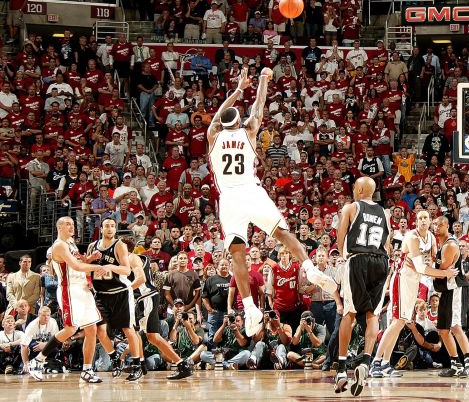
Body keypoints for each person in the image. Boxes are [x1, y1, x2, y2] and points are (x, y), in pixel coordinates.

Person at [207, 66, 336, 337]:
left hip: (229, 198)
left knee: (237, 254)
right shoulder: (249, 131)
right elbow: (259, 107)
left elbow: (219, 115)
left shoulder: (213, 136)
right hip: (251, 191)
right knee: (282, 233)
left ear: (222, 124)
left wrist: (237, 90)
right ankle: (310, 268)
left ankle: (251, 308)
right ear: (239, 122)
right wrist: (263, 79)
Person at [371, 210, 456, 378]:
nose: (423, 220)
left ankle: (386, 364)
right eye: (420, 218)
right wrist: (445, 273)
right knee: (396, 322)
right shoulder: (412, 237)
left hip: (414, 282)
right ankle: (376, 362)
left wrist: (435, 262)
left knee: (401, 323)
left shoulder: (431, 237)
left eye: (426, 217)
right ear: (415, 221)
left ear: (430, 220)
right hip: (402, 279)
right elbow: (422, 268)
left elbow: (432, 260)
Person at [28, 217, 109, 383]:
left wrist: (91, 258)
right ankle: (37, 360)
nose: (72, 227)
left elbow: (81, 262)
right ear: (59, 227)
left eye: (73, 224)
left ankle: (87, 370)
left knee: (91, 329)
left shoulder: (71, 243)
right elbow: (76, 266)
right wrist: (97, 267)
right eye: (68, 224)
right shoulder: (59, 245)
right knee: (71, 328)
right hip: (69, 290)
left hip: (83, 289)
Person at [334, 175, 391, 395]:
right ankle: (366, 362)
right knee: (372, 314)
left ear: (358, 191)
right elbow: (387, 243)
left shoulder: (350, 207)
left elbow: (340, 238)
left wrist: (342, 255)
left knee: (349, 312)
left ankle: (341, 368)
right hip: (380, 261)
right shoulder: (384, 213)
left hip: (357, 259)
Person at [86, 219, 144, 381]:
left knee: (128, 330)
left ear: (115, 228)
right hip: (101, 295)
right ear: (101, 228)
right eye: (107, 226)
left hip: (120, 293)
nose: (110, 228)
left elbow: (126, 269)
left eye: (112, 226)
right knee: (100, 331)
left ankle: (137, 365)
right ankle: (114, 359)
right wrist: (90, 259)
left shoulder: (119, 245)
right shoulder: (93, 246)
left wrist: (110, 267)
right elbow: (84, 265)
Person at [131, 250, 194, 379]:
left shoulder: (132, 258)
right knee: (150, 336)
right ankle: (180, 364)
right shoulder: (135, 258)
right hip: (145, 298)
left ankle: (139, 365)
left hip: (145, 297)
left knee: (136, 332)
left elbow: (141, 278)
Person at [432, 215, 469, 379]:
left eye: (439, 224)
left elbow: (441, 271)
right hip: (447, 290)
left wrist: (428, 264)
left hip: (456, 288)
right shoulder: (441, 244)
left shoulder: (450, 244)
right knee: (443, 330)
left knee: (455, 326)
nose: (435, 227)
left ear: (447, 226)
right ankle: (456, 364)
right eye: (434, 224)